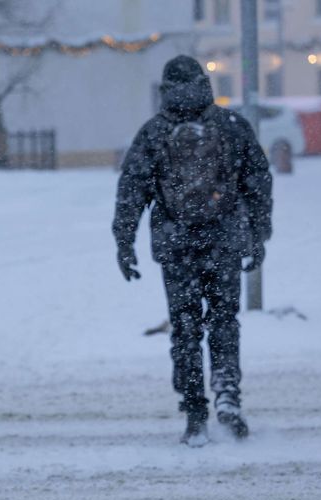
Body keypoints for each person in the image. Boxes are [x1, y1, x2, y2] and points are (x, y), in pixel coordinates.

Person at [113, 55, 273, 446]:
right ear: (205, 83)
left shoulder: (153, 133)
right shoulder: (232, 126)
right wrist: (259, 233)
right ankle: (228, 396)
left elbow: (132, 190)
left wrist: (124, 241)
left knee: (185, 329)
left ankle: (195, 411)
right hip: (224, 241)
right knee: (224, 322)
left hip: (176, 243)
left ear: (165, 88)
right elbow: (257, 181)